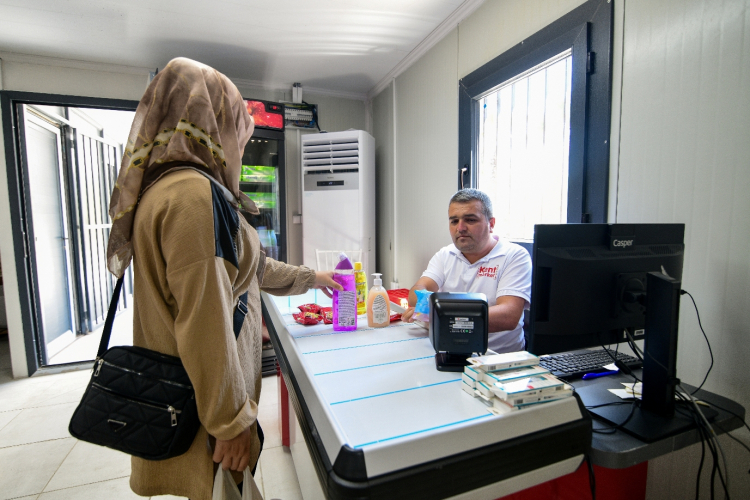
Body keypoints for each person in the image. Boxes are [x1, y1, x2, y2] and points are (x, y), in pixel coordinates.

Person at [106, 57, 341, 499]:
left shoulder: (169, 187)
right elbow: (205, 320)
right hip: (204, 410)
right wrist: (230, 423)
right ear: (212, 124)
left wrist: (314, 277)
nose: (241, 146)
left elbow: (250, 271)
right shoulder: (193, 197)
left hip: (195, 397)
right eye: (238, 130)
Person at [402, 189, 531, 353]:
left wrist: (439, 314)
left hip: (497, 356)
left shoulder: (514, 256)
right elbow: (416, 292)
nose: (460, 228)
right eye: (454, 221)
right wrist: (429, 305)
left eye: (470, 220)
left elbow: (508, 316)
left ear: (491, 224)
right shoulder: (445, 254)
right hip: (449, 349)